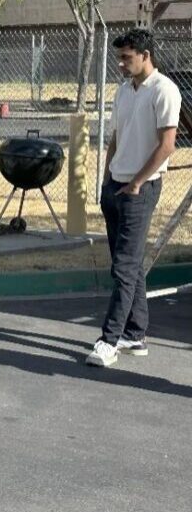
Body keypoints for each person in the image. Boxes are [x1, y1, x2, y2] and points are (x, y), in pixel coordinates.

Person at [87, 29, 180, 367]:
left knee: (124, 267)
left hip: (141, 189)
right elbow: (116, 138)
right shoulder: (124, 92)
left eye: (127, 57)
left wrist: (138, 182)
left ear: (145, 55)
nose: (122, 64)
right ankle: (136, 334)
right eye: (120, 58)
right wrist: (108, 180)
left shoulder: (165, 90)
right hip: (116, 186)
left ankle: (109, 340)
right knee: (129, 265)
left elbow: (167, 144)